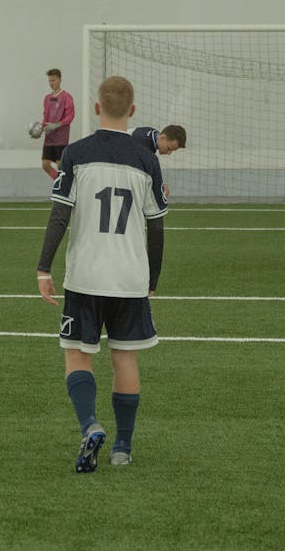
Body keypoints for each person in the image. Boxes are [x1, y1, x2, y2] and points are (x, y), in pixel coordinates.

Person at [36, 75, 167, 472]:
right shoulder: (147, 159)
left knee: (77, 355)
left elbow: (61, 214)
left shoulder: (75, 152)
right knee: (125, 360)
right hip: (129, 276)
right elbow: (157, 227)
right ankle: (123, 448)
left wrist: (44, 267)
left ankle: (90, 424)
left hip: (86, 275)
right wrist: (152, 280)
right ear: (132, 111)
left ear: (96, 108)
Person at [39, 68, 76, 180]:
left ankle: (65, 187)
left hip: (61, 138)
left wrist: (58, 125)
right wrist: (41, 129)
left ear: (59, 80)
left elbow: (70, 116)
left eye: (53, 80)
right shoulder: (47, 98)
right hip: (49, 138)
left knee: (60, 165)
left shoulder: (67, 97)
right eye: (49, 81)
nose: (51, 83)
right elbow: (45, 116)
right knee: (45, 165)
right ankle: (59, 183)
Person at [132, 124, 186, 198]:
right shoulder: (143, 146)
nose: (169, 153)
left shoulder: (152, 134)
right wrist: (160, 188)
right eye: (169, 148)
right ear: (163, 137)